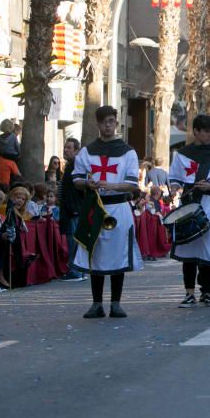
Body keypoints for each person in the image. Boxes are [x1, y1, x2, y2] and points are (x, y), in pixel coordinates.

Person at [71, 106, 143, 319]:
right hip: (96, 208)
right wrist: (88, 182)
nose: (108, 125)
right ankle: (96, 304)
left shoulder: (128, 151)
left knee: (118, 255)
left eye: (111, 121)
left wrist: (111, 186)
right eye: (104, 122)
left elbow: (132, 185)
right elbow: (76, 179)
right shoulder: (87, 151)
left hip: (118, 207)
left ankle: (116, 303)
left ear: (116, 122)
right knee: (96, 255)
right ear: (98, 124)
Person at [168, 114, 210, 308]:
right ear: (196, 132)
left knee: (209, 248)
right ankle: (189, 292)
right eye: (207, 132)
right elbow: (175, 177)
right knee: (189, 247)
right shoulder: (183, 154)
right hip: (188, 202)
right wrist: (175, 188)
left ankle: (208, 292)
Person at [57, 137, 85, 281]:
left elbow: (76, 189)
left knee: (73, 240)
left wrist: (73, 207)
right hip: (71, 208)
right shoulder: (69, 165)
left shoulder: (75, 165)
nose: (66, 150)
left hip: (73, 209)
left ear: (76, 150)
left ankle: (75, 271)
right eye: (65, 147)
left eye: (69, 148)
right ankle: (79, 270)